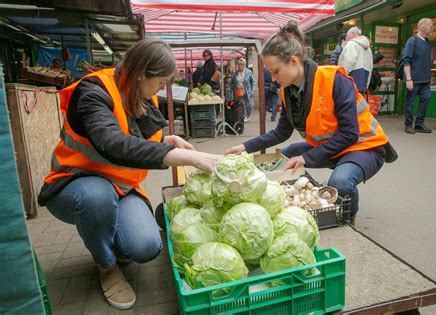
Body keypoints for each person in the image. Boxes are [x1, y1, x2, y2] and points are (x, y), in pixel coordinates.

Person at [37, 38, 221, 310]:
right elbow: (113, 143)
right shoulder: (94, 91)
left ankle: (109, 237)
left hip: (121, 188)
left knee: (146, 247)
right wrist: (189, 157)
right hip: (74, 184)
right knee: (96, 198)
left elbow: (135, 136)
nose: (161, 89)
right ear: (139, 74)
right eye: (160, 83)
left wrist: (166, 141)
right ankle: (106, 266)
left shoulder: (139, 93)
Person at [226, 20, 389, 225]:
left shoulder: (334, 79)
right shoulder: (287, 90)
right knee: (285, 154)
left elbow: (349, 135)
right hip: (333, 146)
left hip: (364, 146)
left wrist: (306, 158)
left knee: (340, 183)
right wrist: (243, 147)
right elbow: (281, 133)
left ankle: (348, 217)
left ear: (294, 61)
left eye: (276, 71)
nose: (274, 78)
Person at [401, 18, 433, 134]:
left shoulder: (427, 42)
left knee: (426, 98)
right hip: (413, 79)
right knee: (410, 102)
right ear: (422, 27)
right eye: (430, 25)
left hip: (425, 80)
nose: (432, 27)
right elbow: (406, 60)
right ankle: (408, 124)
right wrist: (409, 79)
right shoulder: (412, 41)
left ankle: (419, 124)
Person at [338, 27, 373, 94]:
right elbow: (370, 66)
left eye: (347, 35)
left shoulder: (351, 44)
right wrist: (367, 84)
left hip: (352, 78)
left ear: (352, 34)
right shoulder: (368, 49)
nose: (346, 38)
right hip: (364, 79)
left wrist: (342, 77)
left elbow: (348, 61)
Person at [231, 58, 255, 122]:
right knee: (241, 104)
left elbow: (253, 81)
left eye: (241, 64)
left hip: (247, 91)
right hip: (239, 91)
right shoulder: (235, 73)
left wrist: (253, 90)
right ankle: (243, 116)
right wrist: (234, 88)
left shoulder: (248, 72)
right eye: (238, 65)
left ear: (244, 65)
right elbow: (232, 82)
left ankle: (248, 115)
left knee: (249, 104)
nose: (239, 66)